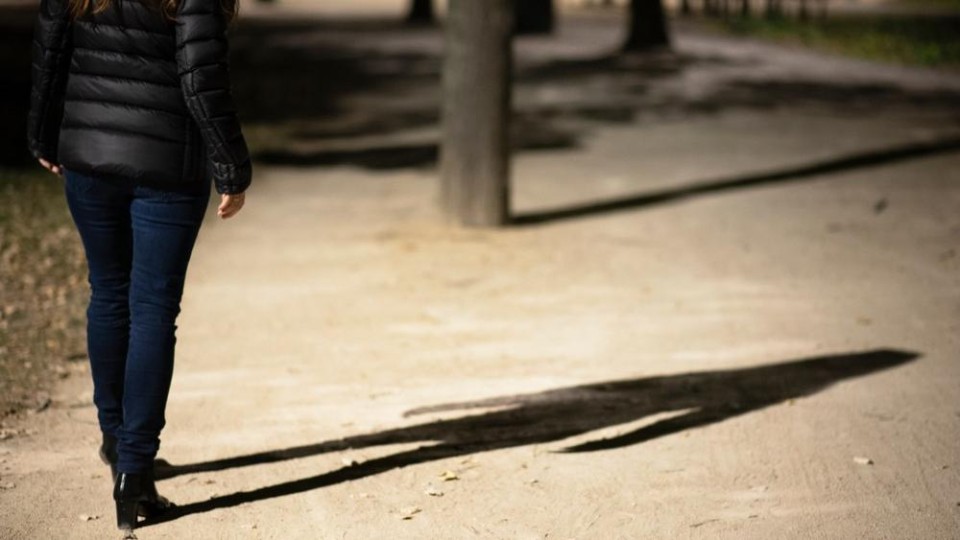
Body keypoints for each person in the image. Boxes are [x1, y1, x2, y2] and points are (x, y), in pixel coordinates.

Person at [27, 0, 251, 534]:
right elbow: (201, 77)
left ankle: (115, 440)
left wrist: (41, 133)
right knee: (152, 311)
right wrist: (232, 167)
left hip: (88, 153)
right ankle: (134, 473)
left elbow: (49, 50)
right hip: (167, 167)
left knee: (107, 294)